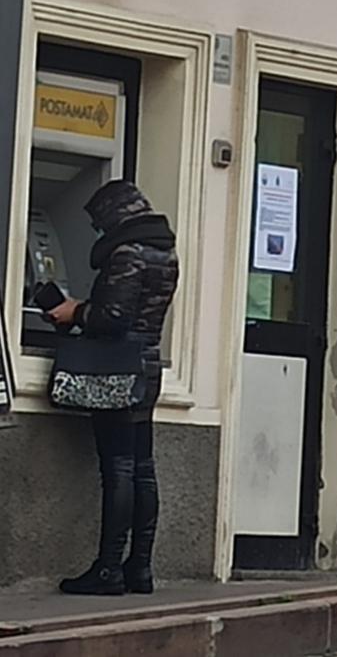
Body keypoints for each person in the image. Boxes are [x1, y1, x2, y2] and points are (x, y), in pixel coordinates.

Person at [48, 181, 179, 596]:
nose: (99, 232)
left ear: (114, 216)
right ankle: (138, 567)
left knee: (119, 469)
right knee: (142, 469)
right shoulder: (164, 251)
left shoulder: (128, 253)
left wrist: (74, 311)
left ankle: (108, 570)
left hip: (117, 368)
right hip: (147, 365)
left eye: (99, 223)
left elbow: (113, 317)